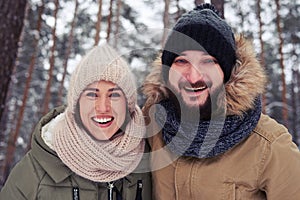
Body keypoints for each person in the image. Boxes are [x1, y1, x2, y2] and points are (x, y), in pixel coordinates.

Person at [142, 3, 300, 200]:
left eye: (208, 61)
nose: (193, 76)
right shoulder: (151, 125)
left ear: (227, 72)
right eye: (181, 61)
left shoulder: (269, 144)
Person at [0, 44, 152, 200]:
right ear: (76, 104)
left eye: (114, 96)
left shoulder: (148, 159)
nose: (103, 107)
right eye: (92, 95)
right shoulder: (35, 170)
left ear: (128, 105)